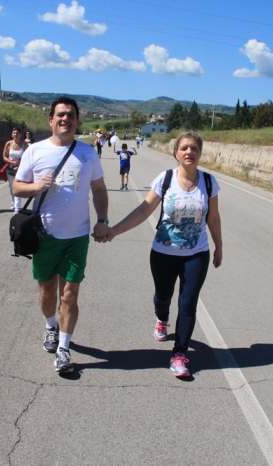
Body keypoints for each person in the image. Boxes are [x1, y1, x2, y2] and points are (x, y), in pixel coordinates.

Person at [97, 131, 222, 378]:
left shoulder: (209, 183)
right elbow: (143, 211)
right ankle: (161, 318)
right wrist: (114, 231)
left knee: (188, 303)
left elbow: (213, 217)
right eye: (184, 148)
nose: (189, 152)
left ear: (200, 153)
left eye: (194, 148)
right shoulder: (165, 180)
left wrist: (219, 246)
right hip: (163, 253)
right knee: (163, 297)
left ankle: (179, 353)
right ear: (176, 153)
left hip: (197, 253)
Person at [13, 97, 110, 374]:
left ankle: (64, 350)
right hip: (44, 235)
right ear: (51, 120)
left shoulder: (88, 153)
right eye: (60, 115)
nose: (65, 119)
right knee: (47, 292)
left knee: (70, 294)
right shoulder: (35, 151)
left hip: (77, 237)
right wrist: (35, 188)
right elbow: (17, 187)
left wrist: (102, 220)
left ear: (78, 121)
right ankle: (51, 327)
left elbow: (100, 190)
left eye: (70, 115)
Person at [2, 127, 29, 211]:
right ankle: (13, 202)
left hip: (20, 168)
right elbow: (4, 156)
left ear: (20, 134)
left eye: (17, 133)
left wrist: (20, 164)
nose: (15, 134)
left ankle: (17, 207)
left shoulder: (25, 145)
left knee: (18, 186)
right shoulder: (8, 144)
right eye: (14, 133)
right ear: (11, 134)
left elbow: (27, 158)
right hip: (10, 168)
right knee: (11, 186)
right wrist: (11, 162)